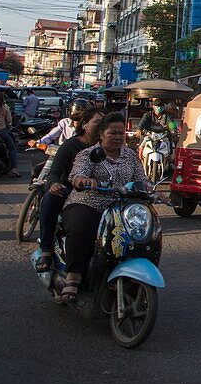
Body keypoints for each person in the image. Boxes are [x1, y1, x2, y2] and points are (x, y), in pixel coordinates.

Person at [59, 112, 149, 301]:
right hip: (88, 202)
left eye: (121, 133)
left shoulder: (131, 156)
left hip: (121, 208)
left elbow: (141, 179)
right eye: (112, 133)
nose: (117, 138)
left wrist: (151, 190)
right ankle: (73, 277)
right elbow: (77, 174)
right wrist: (82, 180)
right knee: (81, 229)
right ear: (101, 134)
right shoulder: (88, 154)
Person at [34, 107, 105, 273]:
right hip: (70, 192)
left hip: (100, 193)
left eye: (104, 124)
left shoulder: (107, 146)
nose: (101, 127)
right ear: (85, 124)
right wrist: (53, 184)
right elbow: (55, 171)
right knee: (50, 199)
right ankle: (46, 249)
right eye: (97, 122)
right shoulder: (70, 145)